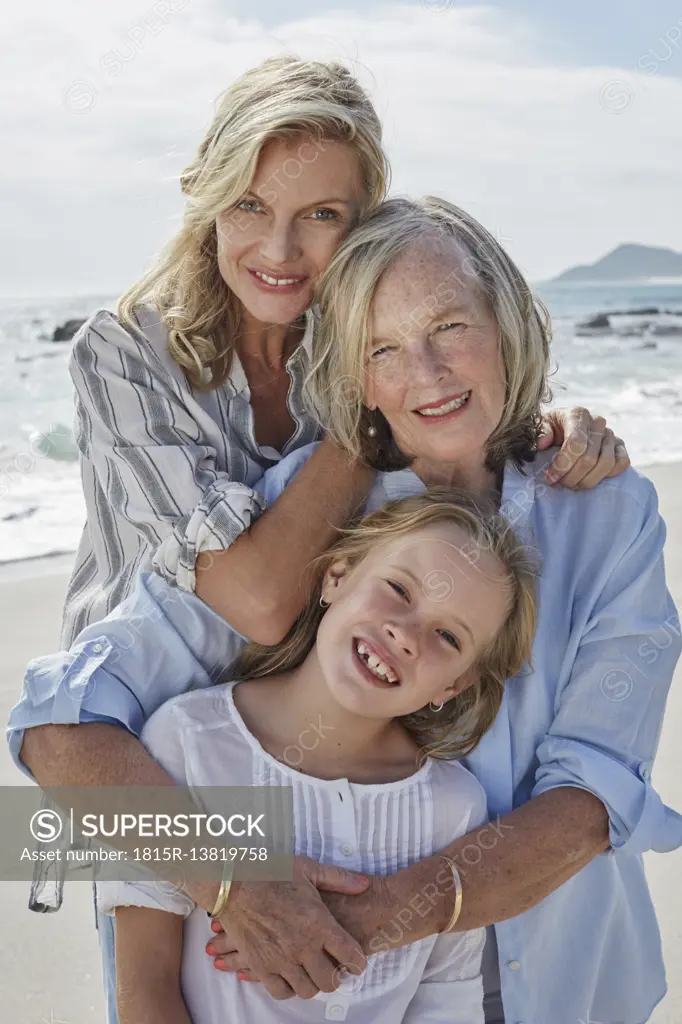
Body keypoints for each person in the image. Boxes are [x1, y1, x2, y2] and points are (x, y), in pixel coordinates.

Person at [10, 196, 680, 1024]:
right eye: (384, 349)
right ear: (352, 376)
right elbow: (60, 728)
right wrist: (233, 877)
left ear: (505, 321)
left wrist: (387, 914)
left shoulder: (610, 513)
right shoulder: (308, 510)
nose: (426, 376)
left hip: (578, 986)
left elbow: (593, 799)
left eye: (449, 328)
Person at [97, 489, 538, 1024]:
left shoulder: (455, 806)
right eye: (398, 588)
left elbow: (446, 999)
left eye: (448, 635)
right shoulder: (189, 740)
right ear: (337, 576)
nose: (405, 633)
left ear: (454, 685)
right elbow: (144, 985)